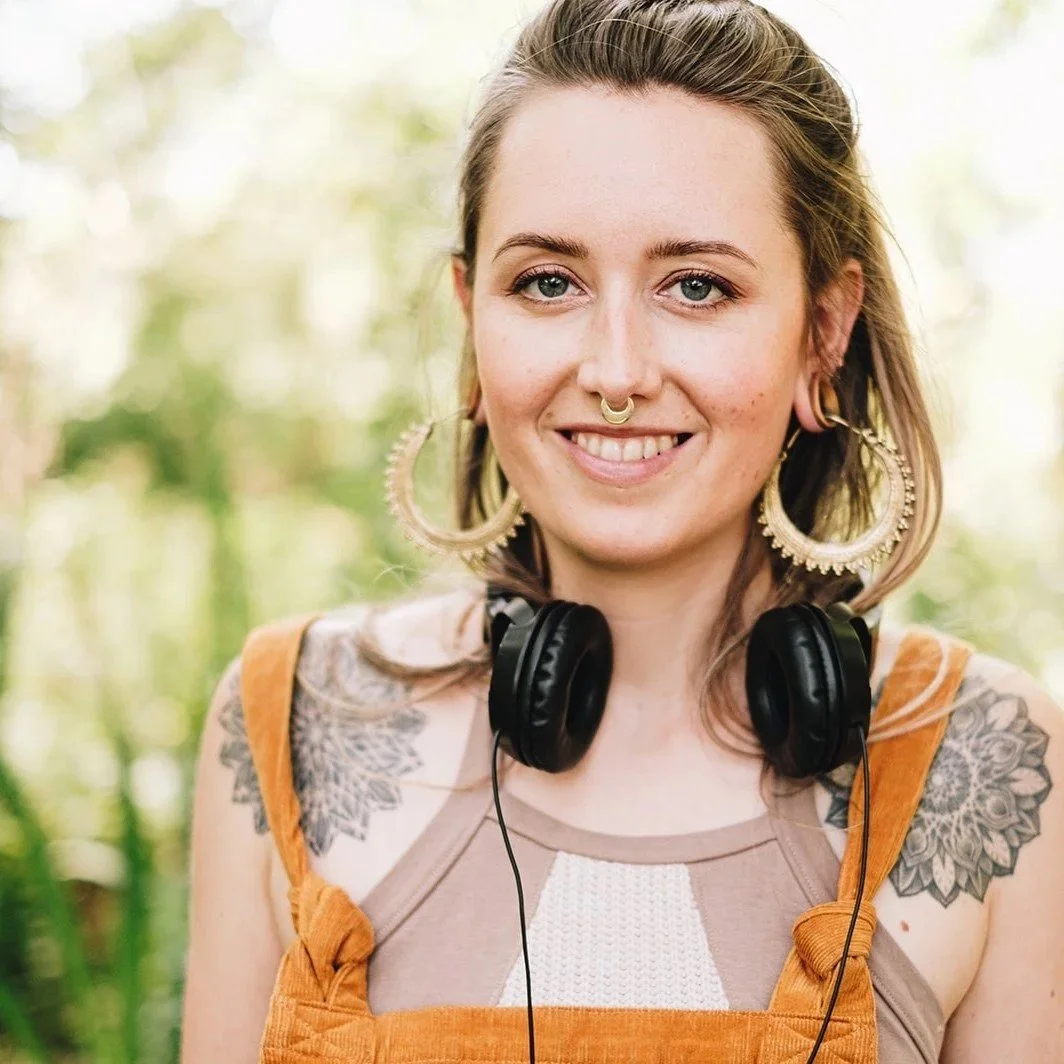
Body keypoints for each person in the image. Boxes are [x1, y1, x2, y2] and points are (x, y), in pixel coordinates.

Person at [179, 2, 1064, 1062]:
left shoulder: (986, 749)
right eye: (546, 282)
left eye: (696, 286)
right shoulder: (289, 721)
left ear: (821, 333)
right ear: (471, 317)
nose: (614, 371)